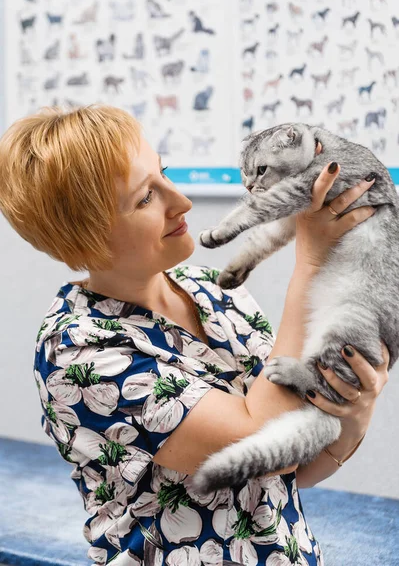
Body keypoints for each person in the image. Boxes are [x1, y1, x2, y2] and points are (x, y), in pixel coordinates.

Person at [0, 104, 389, 566]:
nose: (181, 202)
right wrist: (313, 263)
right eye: (146, 198)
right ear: (85, 234)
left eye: (164, 173)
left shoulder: (215, 293)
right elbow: (260, 442)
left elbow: (290, 470)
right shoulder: (77, 351)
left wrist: (354, 415)